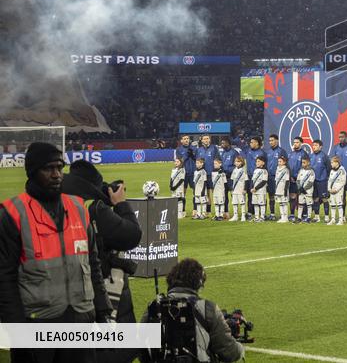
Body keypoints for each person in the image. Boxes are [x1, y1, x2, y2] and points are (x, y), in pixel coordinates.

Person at [0, 142, 110, 363]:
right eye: (48, 168)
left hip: (81, 318)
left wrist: (102, 310)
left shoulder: (79, 208)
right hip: (38, 323)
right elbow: (4, 278)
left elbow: (93, 263)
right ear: (32, 172)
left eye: (60, 167)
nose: (56, 174)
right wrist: (17, 331)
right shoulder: (11, 214)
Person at [61, 159, 143, 326]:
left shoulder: (60, 203)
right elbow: (132, 235)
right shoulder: (96, 209)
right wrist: (121, 204)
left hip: (64, 288)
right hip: (99, 286)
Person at [141, 258, 244, 363]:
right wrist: (240, 347)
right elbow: (230, 353)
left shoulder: (154, 307)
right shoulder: (208, 309)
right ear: (198, 284)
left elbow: (142, 350)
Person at [264, 135, 287, 221]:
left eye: (272, 140)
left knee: (281, 195)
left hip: (279, 177)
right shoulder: (268, 151)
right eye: (269, 141)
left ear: (277, 141)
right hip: (269, 177)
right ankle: (272, 214)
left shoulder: (281, 151)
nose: (270, 142)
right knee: (271, 196)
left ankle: (284, 215)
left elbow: (286, 163)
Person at [287, 136, 309, 222]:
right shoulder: (290, 154)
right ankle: (292, 214)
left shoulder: (304, 154)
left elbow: (305, 166)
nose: (295, 144)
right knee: (292, 197)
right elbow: (288, 166)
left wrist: (299, 178)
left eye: (297, 142)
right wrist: (290, 177)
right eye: (294, 142)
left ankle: (304, 215)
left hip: (300, 179)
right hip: (292, 179)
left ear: (301, 144)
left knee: (302, 197)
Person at [243, 137, 265, 220]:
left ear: (257, 143)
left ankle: (262, 214)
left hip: (258, 176)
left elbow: (264, 164)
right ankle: (250, 212)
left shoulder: (261, 153)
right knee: (250, 195)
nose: (250, 144)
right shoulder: (248, 151)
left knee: (260, 195)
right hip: (249, 176)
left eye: (252, 142)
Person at [174, 135, 196, 217]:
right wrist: (187, 154)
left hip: (193, 173)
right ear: (181, 141)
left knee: (195, 192)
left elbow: (198, 159)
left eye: (187, 139)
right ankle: (182, 211)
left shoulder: (194, 148)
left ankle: (195, 209)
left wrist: (193, 155)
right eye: (184, 139)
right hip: (183, 173)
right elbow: (180, 162)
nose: (186, 140)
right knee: (183, 192)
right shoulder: (179, 150)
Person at [310, 140, 331, 223]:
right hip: (313, 181)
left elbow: (329, 168)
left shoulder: (324, 156)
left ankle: (326, 217)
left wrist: (326, 178)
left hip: (322, 181)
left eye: (316, 145)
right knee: (315, 199)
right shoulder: (311, 156)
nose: (314, 146)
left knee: (325, 198)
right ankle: (317, 217)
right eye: (313, 145)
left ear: (320, 146)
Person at [218, 137, 240, 212]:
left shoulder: (234, 152)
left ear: (228, 143)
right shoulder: (223, 153)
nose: (222, 145)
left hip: (231, 177)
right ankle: (226, 212)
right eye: (221, 143)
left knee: (233, 195)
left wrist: (229, 171)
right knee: (224, 195)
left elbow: (238, 164)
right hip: (224, 177)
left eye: (223, 143)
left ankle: (235, 213)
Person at [327, 155, 347, 226]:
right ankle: (333, 219)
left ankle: (341, 220)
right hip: (332, 191)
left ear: (337, 163)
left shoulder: (342, 170)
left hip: (338, 191)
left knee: (339, 205)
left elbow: (343, 181)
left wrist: (336, 189)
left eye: (332, 162)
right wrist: (329, 189)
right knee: (332, 205)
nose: (331, 164)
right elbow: (329, 181)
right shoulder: (332, 171)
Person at [296, 157, 315, 224]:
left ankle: (309, 218)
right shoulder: (300, 170)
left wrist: (304, 189)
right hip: (301, 191)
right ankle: (299, 218)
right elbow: (298, 180)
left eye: (304, 162)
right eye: (302, 162)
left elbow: (311, 182)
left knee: (309, 204)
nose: (302, 164)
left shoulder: (311, 171)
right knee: (300, 204)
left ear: (308, 163)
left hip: (308, 191)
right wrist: (300, 188)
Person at [229, 155, 248, 222]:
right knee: (234, 203)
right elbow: (231, 180)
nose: (237, 163)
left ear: (242, 162)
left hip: (241, 189)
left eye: (238, 161)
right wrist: (231, 189)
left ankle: (243, 216)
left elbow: (246, 180)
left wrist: (245, 189)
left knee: (242, 203)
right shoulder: (234, 170)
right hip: (235, 190)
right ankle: (235, 216)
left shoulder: (243, 170)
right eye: (236, 161)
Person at [251, 155, 269, 223]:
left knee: (262, 204)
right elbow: (253, 180)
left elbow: (264, 181)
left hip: (261, 191)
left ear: (263, 163)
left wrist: (256, 188)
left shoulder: (264, 171)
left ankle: (262, 217)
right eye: (256, 161)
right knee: (255, 204)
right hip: (254, 191)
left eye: (259, 161)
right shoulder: (255, 170)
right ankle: (256, 217)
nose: (257, 163)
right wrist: (252, 187)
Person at [274, 155, 291, 223]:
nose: (279, 163)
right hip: (278, 189)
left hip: (283, 189)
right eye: (278, 161)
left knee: (284, 203)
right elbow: (276, 180)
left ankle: (286, 217)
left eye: (280, 161)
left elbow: (287, 181)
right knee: (280, 203)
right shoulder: (277, 169)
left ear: (284, 162)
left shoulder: (286, 170)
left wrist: (285, 190)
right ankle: (282, 217)